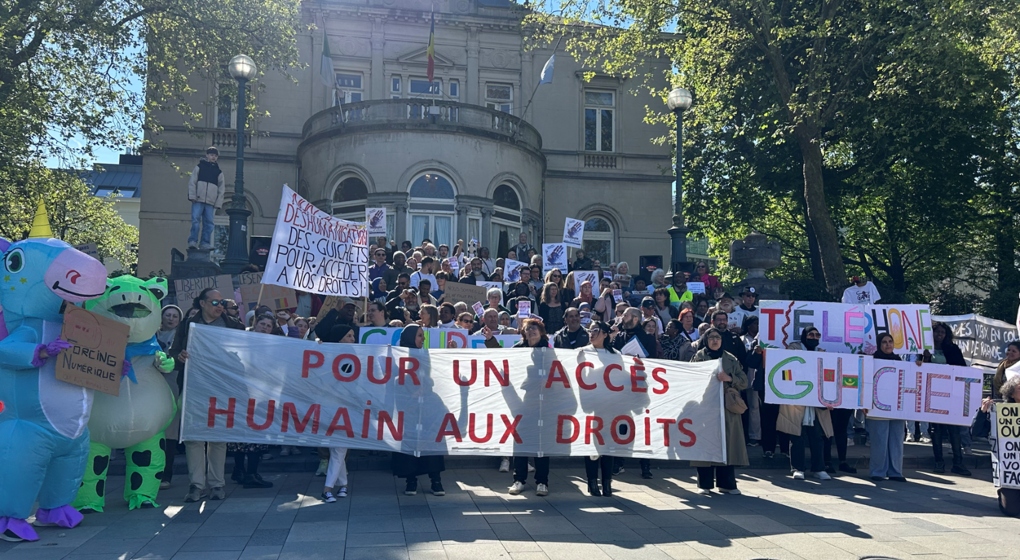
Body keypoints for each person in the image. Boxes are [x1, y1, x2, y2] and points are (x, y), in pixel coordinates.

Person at [168, 288, 245, 502]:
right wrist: (180, 356)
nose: (220, 306)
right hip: (194, 388)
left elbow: (245, 353)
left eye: (222, 302)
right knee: (194, 438)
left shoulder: (233, 325)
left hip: (221, 388)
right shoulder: (188, 325)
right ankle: (196, 485)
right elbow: (173, 352)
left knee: (218, 438)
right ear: (202, 303)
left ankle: (217, 484)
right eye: (215, 302)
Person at [487, 319, 552, 496]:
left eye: (534, 328)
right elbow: (502, 359)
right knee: (520, 442)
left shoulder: (550, 351)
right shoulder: (518, 349)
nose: (531, 331)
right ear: (523, 333)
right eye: (527, 329)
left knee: (541, 444)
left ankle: (542, 482)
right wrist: (491, 340)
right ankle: (519, 479)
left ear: (541, 332)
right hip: (523, 401)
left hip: (543, 403)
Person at [690, 327, 748, 494]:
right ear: (706, 340)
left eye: (718, 337)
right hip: (706, 406)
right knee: (705, 443)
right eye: (711, 337)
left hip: (727, 407)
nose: (715, 340)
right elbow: (691, 379)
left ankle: (727, 484)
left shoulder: (730, 358)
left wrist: (729, 378)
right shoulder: (699, 357)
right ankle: (704, 484)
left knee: (727, 444)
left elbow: (744, 381)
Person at [392, 325, 446, 495]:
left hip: (427, 406)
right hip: (408, 406)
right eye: (419, 335)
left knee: (431, 441)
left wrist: (425, 388)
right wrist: (410, 394)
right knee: (410, 441)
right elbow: (396, 378)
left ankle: (435, 480)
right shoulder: (399, 355)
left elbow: (431, 376)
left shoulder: (425, 354)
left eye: (423, 335)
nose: (423, 339)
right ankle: (411, 480)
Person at [778, 327, 834, 481]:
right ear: (804, 336)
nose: (814, 337)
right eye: (811, 334)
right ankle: (797, 468)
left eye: (817, 335)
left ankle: (819, 468)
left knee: (817, 437)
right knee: (797, 436)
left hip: (816, 403)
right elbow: (785, 369)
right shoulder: (793, 350)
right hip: (796, 400)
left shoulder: (822, 353)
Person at [229, 314, 277, 489]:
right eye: (262, 324)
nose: (265, 328)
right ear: (255, 324)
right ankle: (244, 472)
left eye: (269, 326)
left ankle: (248, 471)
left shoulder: (274, 347)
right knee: (241, 435)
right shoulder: (243, 342)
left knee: (256, 433)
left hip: (261, 395)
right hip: (242, 393)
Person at [923, 322, 971, 476]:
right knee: (936, 429)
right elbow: (919, 370)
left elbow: (962, 369)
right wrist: (925, 359)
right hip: (933, 395)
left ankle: (958, 463)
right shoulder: (924, 350)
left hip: (951, 393)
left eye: (943, 332)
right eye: (937, 332)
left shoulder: (952, 349)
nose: (940, 335)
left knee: (954, 429)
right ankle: (939, 462)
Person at [580, 321, 617, 496]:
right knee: (592, 445)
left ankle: (607, 481)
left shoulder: (615, 354)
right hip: (590, 406)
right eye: (590, 330)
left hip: (609, 406)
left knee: (608, 445)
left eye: (595, 330)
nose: (591, 333)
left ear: (605, 334)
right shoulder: (582, 352)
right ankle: (592, 481)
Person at [320, 326, 355, 502]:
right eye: (349, 336)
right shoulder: (328, 358)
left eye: (353, 336)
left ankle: (327, 489)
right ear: (340, 338)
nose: (353, 339)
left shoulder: (356, 359)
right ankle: (343, 485)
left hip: (347, 409)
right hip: (330, 407)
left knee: (338, 449)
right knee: (336, 448)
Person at [867, 333, 907, 482]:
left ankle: (896, 472)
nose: (888, 344)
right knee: (879, 439)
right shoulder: (872, 360)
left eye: (890, 341)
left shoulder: (899, 361)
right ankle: (877, 471)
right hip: (877, 406)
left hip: (897, 406)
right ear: (879, 344)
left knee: (896, 439)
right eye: (884, 342)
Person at [982, 375, 1020, 516]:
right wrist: (983, 413)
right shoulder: (1000, 411)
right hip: (1012, 471)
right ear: (1011, 393)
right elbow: (977, 432)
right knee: (1012, 510)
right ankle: (1004, 493)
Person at [156, 304, 182, 489]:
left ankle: (166, 474)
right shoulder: (150, 335)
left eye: (175, 316)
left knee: (170, 431)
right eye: (168, 315)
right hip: (152, 384)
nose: (171, 318)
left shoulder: (182, 338)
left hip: (173, 383)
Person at [187, 147, 225, 250]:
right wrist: (192, 196)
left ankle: (205, 242)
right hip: (198, 199)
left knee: (209, 223)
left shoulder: (218, 172)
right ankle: (193, 241)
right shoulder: (199, 167)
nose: (213, 157)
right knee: (195, 220)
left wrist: (218, 203)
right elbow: (192, 182)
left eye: (215, 156)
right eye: (212, 155)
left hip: (210, 202)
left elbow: (221, 189)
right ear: (207, 155)